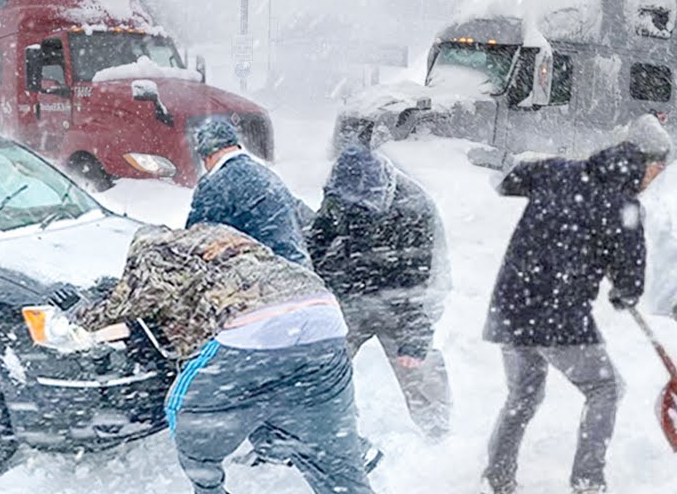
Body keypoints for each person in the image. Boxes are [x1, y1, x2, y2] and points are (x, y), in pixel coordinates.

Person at [58, 223, 374, 494]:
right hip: (322, 315)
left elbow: (127, 303)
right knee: (324, 450)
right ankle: (348, 457)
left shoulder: (151, 250)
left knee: (184, 411)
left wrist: (80, 312)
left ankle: (208, 489)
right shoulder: (218, 237)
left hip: (255, 324)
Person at [481, 115, 670, 494]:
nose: (656, 178)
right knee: (606, 389)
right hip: (559, 317)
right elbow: (630, 283)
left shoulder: (558, 170)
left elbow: (508, 181)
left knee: (523, 394)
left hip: (511, 309)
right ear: (646, 162)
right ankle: (588, 481)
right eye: (658, 170)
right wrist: (624, 294)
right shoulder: (626, 207)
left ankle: (497, 478)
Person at [308, 144, 452, 440]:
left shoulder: (415, 209)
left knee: (418, 366)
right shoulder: (341, 190)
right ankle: (322, 423)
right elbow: (319, 240)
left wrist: (415, 336)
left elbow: (420, 283)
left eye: (365, 207)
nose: (357, 212)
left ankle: (437, 428)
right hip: (354, 287)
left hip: (406, 298)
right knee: (324, 357)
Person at [186, 120, 311, 267]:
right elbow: (305, 217)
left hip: (267, 277)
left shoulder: (215, 184)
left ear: (207, 156)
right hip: (302, 272)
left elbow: (195, 239)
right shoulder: (266, 175)